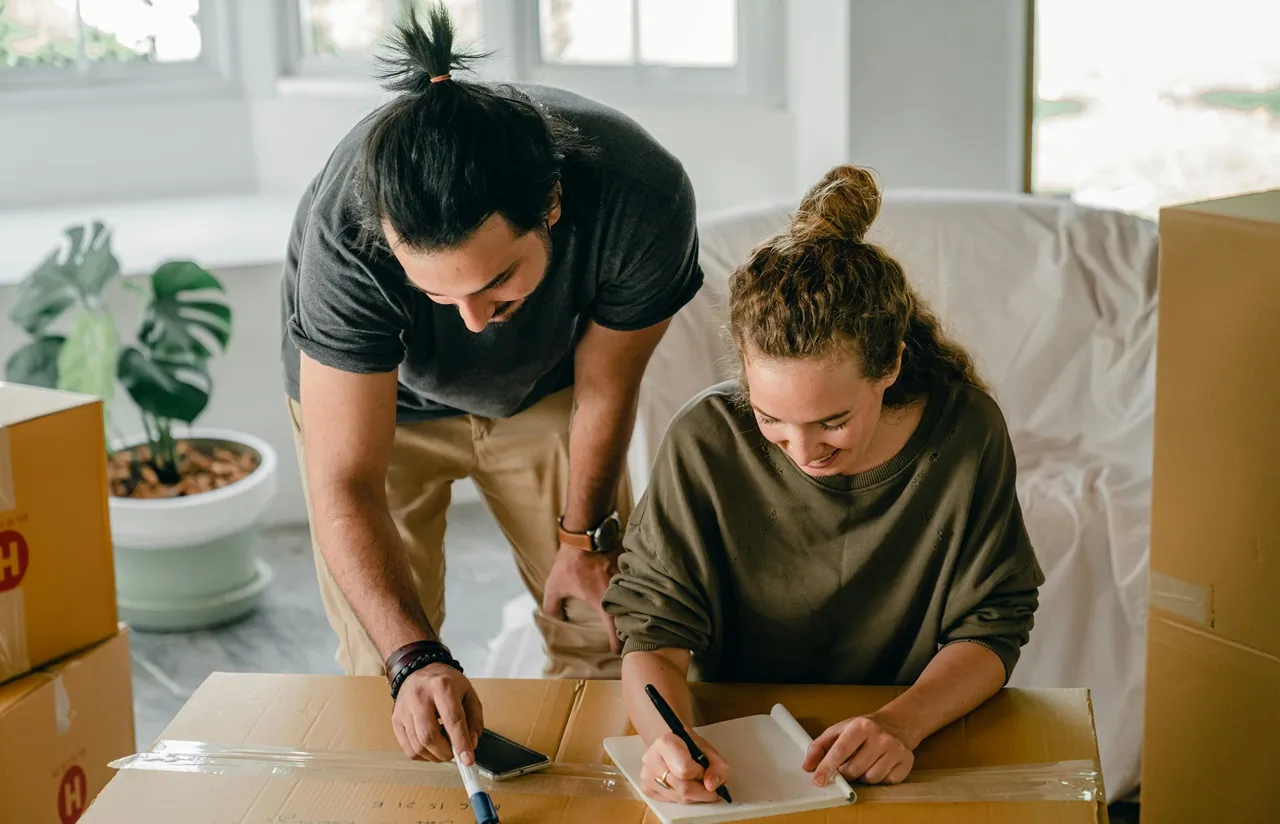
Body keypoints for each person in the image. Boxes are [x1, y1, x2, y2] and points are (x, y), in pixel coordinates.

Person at [280, 5, 703, 766]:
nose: (473, 322)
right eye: (439, 295)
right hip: (378, 408)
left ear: (551, 206)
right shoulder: (344, 231)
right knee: (390, 668)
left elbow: (606, 388)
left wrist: (583, 537)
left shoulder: (643, 198)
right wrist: (414, 658)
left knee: (600, 627)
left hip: (544, 392)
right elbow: (346, 481)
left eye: (498, 282)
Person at [602, 165, 1044, 804]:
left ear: (889, 363)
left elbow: (993, 625)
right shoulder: (704, 439)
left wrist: (902, 722)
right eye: (770, 419)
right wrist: (665, 741)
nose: (804, 452)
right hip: (735, 752)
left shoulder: (965, 432)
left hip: (903, 745)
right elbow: (654, 634)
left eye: (833, 422)